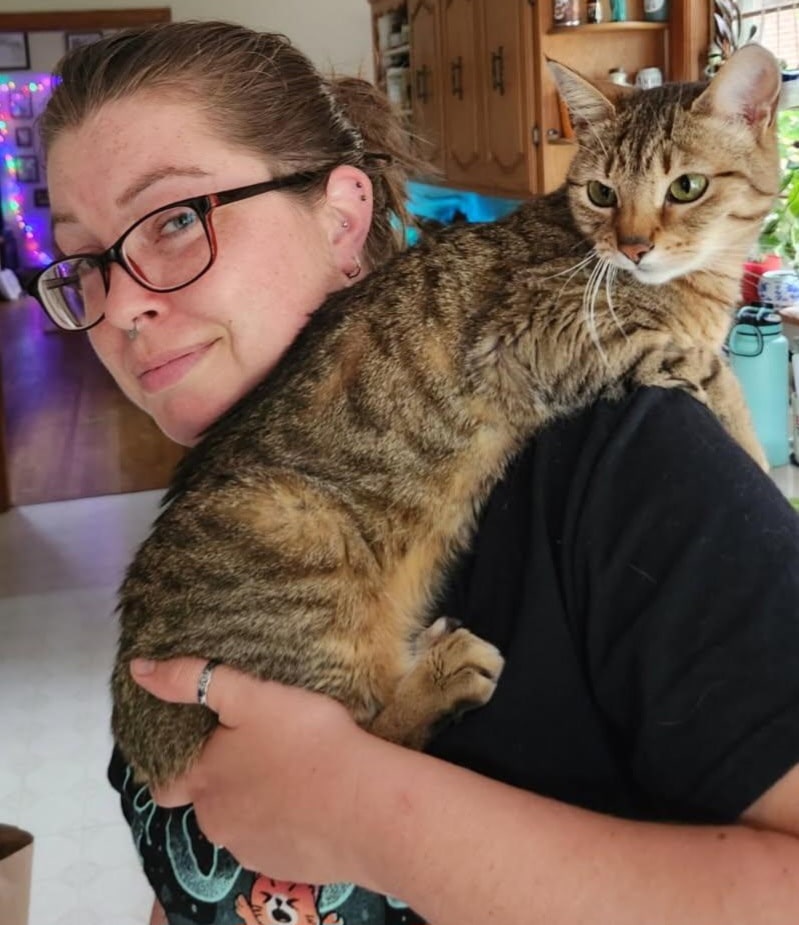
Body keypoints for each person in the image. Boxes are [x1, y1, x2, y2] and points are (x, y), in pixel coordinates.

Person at [30, 19, 799, 925]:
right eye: (83, 261)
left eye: (174, 219)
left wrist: (364, 812)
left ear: (344, 215)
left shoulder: (632, 463)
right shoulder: (227, 505)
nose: (121, 305)